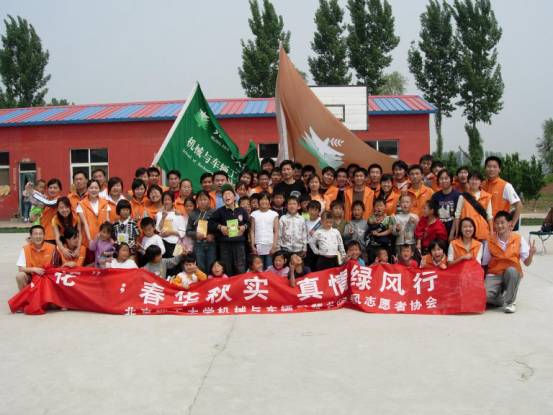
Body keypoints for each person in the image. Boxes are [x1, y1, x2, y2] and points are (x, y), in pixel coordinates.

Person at [482, 211, 537, 313]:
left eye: (502, 222)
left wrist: (531, 254)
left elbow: (527, 263)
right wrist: (483, 282)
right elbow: (485, 263)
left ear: (510, 224)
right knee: (483, 296)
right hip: (494, 274)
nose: (499, 226)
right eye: (497, 223)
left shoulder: (518, 238)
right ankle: (501, 299)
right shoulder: (490, 240)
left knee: (512, 271)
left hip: (511, 274)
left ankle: (510, 303)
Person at [208, 184, 249, 276]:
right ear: (222, 199)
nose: (227, 196)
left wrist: (244, 227)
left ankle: (239, 284)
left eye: (229, 194)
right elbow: (210, 223)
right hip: (225, 244)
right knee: (227, 268)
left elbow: (248, 222)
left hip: (239, 244)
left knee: (240, 268)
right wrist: (220, 227)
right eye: (224, 195)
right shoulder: (219, 211)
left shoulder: (241, 210)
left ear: (235, 197)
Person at [482, 156, 523, 229]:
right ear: (485, 168)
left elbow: (519, 205)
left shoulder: (506, 186)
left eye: (494, 167)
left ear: (499, 169)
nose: (491, 169)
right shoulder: (482, 185)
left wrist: (512, 224)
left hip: (499, 228)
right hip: (483, 227)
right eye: (489, 166)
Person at [454, 171, 493, 241]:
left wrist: (491, 231)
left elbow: (489, 216)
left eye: (476, 179)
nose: (474, 182)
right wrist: (457, 233)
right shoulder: (463, 197)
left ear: (481, 182)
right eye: (471, 179)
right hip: (467, 233)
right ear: (468, 181)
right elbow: (457, 216)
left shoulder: (487, 196)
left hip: (483, 233)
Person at [15, 225, 56, 290]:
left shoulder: (52, 248)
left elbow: (57, 266)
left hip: (47, 276)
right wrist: (34, 269)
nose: (38, 236)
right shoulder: (25, 249)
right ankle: (25, 295)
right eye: (35, 234)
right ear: (31, 236)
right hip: (31, 276)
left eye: (40, 234)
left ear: (44, 236)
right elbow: (21, 269)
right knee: (20, 276)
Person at [186, 191, 216, 274]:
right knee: (200, 266)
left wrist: (213, 236)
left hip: (211, 244)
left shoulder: (214, 212)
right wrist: (195, 234)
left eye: (205, 199)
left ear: (209, 200)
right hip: (198, 244)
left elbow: (218, 228)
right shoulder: (193, 214)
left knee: (211, 266)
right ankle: (202, 281)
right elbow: (188, 231)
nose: (202, 202)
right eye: (200, 200)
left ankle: (211, 281)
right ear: (197, 201)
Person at [250, 192, 279, 269]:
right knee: (259, 269)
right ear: (258, 201)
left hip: (270, 246)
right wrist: (252, 245)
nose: (264, 201)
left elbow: (276, 231)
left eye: (266, 199)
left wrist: (274, 246)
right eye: (262, 199)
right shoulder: (254, 214)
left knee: (269, 269)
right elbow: (252, 231)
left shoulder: (274, 214)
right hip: (258, 246)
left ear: (269, 201)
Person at [77, 179, 111, 245]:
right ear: (87, 189)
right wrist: (90, 239)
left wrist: (108, 236)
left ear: (99, 189)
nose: (94, 190)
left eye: (96, 188)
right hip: (88, 240)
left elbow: (107, 221)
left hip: (103, 239)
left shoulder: (105, 203)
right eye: (91, 188)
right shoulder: (81, 204)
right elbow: (85, 223)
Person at [156, 191, 187, 258]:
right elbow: (158, 229)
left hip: (175, 244)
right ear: (162, 202)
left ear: (173, 201)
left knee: (174, 263)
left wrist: (171, 232)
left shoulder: (178, 214)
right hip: (162, 242)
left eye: (169, 199)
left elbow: (183, 233)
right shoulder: (159, 214)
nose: (167, 202)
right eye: (165, 200)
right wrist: (163, 218)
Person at [431, 169, 461, 240]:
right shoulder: (435, 196)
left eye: (446, 178)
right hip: (439, 231)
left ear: (451, 179)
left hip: (453, 231)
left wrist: (452, 233)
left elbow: (457, 216)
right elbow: (434, 215)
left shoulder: (458, 195)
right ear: (438, 181)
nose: (444, 181)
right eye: (441, 179)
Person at [365, 198, 394, 263]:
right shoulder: (372, 217)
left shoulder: (389, 218)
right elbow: (369, 221)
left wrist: (379, 234)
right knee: (373, 263)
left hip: (385, 246)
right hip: (373, 246)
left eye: (381, 206)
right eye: (377, 206)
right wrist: (375, 222)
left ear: (385, 207)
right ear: (374, 208)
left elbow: (390, 230)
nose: (379, 208)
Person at [40, 178, 63, 243]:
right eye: (50, 188)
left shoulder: (60, 200)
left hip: (54, 237)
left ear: (60, 189)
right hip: (44, 234)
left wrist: (32, 192)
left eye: (55, 188)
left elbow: (50, 204)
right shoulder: (47, 200)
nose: (52, 190)